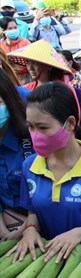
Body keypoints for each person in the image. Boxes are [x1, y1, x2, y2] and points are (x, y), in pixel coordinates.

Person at [7, 82, 81, 262]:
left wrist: (80, 233)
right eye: (30, 126)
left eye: (43, 127)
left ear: (70, 123)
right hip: (49, 263)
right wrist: (29, 229)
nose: (35, 134)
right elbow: (33, 211)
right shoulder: (29, 166)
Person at [0, 68, 31, 240]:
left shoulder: (31, 135)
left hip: (42, 222)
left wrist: (31, 225)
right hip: (8, 223)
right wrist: (4, 233)